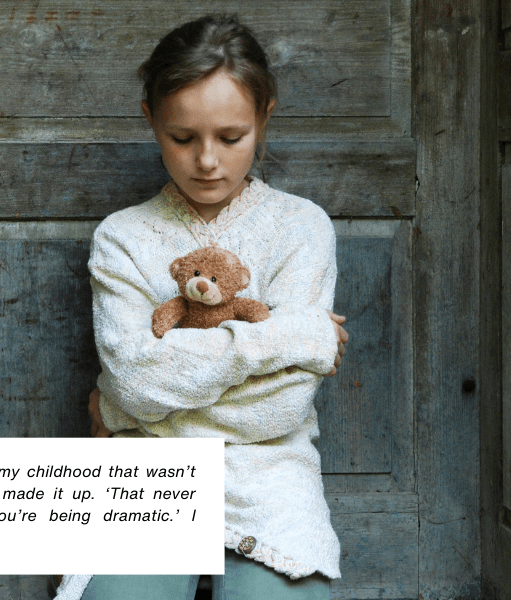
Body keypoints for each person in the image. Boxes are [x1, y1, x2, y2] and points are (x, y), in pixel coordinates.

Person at [54, 14, 349, 600]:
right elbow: (136, 380)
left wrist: (119, 410)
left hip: (272, 478)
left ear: (264, 118)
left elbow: (283, 408)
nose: (207, 161)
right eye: (183, 138)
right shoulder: (123, 238)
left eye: (231, 137)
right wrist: (290, 338)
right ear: (151, 119)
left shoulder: (300, 227)